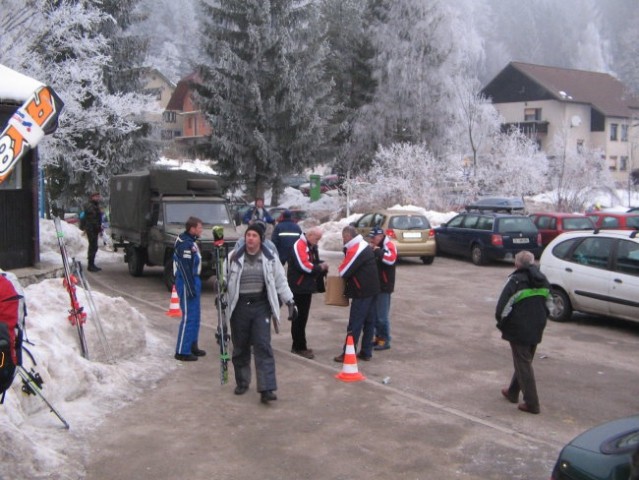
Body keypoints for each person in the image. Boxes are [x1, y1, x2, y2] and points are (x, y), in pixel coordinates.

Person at [226, 223, 297, 404]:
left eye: (254, 236)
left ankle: (266, 388)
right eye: (248, 235)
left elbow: (281, 281)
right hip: (239, 306)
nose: (250, 238)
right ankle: (242, 381)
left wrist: (290, 301)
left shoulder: (270, 258)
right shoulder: (233, 257)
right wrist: (221, 295)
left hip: (260, 306)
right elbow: (224, 280)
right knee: (240, 346)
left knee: (263, 346)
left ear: (260, 239)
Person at [495, 250, 550, 415]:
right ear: (532, 263)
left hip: (519, 327)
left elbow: (502, 307)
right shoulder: (543, 280)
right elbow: (551, 304)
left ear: (516, 264)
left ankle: (532, 403)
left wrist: (503, 324)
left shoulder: (515, 280)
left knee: (523, 362)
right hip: (537, 325)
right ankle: (512, 392)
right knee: (525, 360)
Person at [334, 225, 380, 363]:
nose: (343, 240)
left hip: (363, 292)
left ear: (348, 236)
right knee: (369, 322)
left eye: (343, 237)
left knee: (355, 323)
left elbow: (343, 271)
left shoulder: (356, 249)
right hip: (372, 289)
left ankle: (348, 353)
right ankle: (366, 352)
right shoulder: (362, 245)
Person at [287, 227, 328, 359]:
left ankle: (300, 345)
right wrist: (318, 268)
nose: (317, 242)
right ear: (310, 235)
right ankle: (299, 347)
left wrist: (319, 264)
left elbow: (310, 261)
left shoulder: (308, 245)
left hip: (305, 286)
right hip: (298, 287)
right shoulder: (300, 245)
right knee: (298, 318)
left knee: (302, 318)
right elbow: (303, 265)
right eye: (317, 239)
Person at [173, 216, 206, 362]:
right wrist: (190, 286)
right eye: (200, 227)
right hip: (187, 281)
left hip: (195, 280)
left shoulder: (192, 241)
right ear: (192, 228)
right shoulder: (185, 244)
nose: (201, 230)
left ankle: (192, 344)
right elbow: (185, 267)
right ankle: (182, 351)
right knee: (189, 317)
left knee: (196, 315)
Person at [368, 226, 397, 351]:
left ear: (380, 236)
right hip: (375, 285)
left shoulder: (389, 245)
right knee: (374, 315)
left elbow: (391, 260)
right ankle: (378, 338)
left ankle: (385, 339)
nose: (372, 240)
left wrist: (377, 251)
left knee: (382, 316)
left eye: (373, 237)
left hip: (384, 286)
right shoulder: (375, 246)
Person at [81, 192, 103, 272]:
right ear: (92, 197)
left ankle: (92, 264)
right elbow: (93, 219)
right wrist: (97, 227)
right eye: (96, 196)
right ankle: (90, 265)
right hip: (91, 229)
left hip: (94, 228)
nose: (98, 198)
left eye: (98, 196)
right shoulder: (90, 206)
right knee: (93, 246)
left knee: (94, 246)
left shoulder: (95, 205)